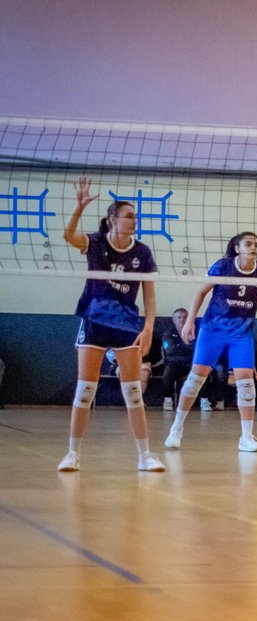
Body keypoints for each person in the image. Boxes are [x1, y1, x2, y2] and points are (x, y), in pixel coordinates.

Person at [57, 176, 164, 472]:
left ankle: (145, 455)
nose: (134, 221)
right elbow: (68, 236)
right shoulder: (95, 242)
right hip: (93, 320)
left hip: (126, 325)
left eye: (135, 217)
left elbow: (149, 294)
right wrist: (79, 207)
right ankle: (73, 454)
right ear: (113, 219)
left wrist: (149, 327)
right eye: (129, 216)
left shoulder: (142, 252)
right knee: (85, 390)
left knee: (133, 392)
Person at [165, 231, 257, 454]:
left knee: (246, 383)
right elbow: (201, 293)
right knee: (195, 380)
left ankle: (246, 437)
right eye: (248, 244)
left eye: (256, 244)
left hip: (241, 333)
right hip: (213, 330)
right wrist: (190, 321)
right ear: (237, 248)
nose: (254, 248)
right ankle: (176, 429)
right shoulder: (223, 266)